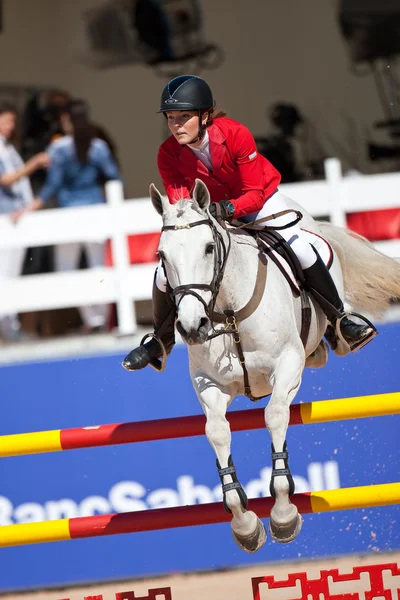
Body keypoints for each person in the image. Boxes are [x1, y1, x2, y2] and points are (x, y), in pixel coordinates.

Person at [122, 75, 376, 372]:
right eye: (171, 118)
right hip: (211, 213)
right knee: (164, 271)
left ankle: (341, 321)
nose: (176, 124)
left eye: (184, 116)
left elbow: (254, 194)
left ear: (205, 116)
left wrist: (226, 208)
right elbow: (182, 206)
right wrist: (199, 220)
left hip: (258, 201)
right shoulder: (167, 153)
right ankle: (160, 340)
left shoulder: (236, 134)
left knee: (301, 246)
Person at [11, 99, 121, 333]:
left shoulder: (59, 148)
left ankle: (90, 319)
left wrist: (29, 208)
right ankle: (99, 320)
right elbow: (114, 177)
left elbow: (52, 186)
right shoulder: (98, 146)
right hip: (96, 213)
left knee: (66, 269)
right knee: (98, 268)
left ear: (67, 119)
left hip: (68, 216)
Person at [0, 102, 50, 341]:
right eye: (7, 120)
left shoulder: (7, 148)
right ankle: (7, 330)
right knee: (4, 275)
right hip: (4, 218)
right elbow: (6, 180)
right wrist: (35, 163)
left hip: (15, 217)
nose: (11, 126)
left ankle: (10, 328)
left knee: (12, 274)